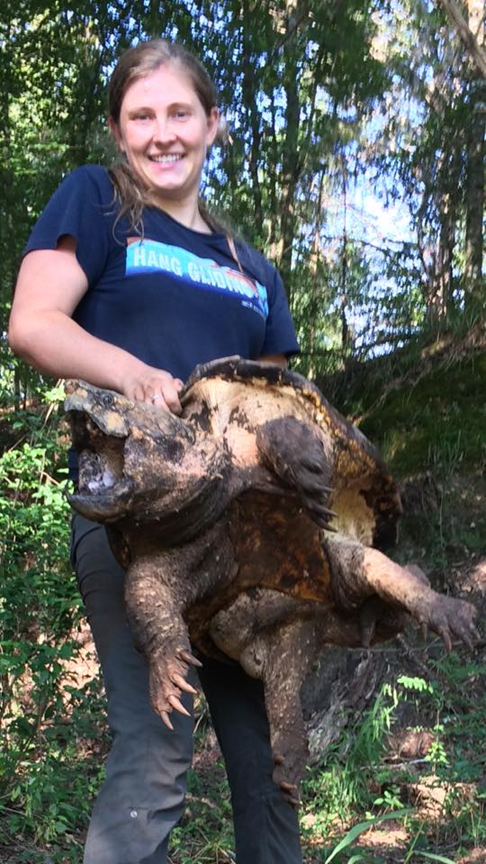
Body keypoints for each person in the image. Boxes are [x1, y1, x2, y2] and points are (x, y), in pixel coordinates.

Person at [9, 39, 302, 864]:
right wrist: (134, 375)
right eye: (143, 116)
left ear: (214, 124)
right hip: (135, 522)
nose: (163, 133)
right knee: (159, 746)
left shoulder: (253, 268)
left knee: (271, 757)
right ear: (117, 129)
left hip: (240, 542)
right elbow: (33, 324)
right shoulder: (97, 202)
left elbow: (272, 411)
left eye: (181, 113)